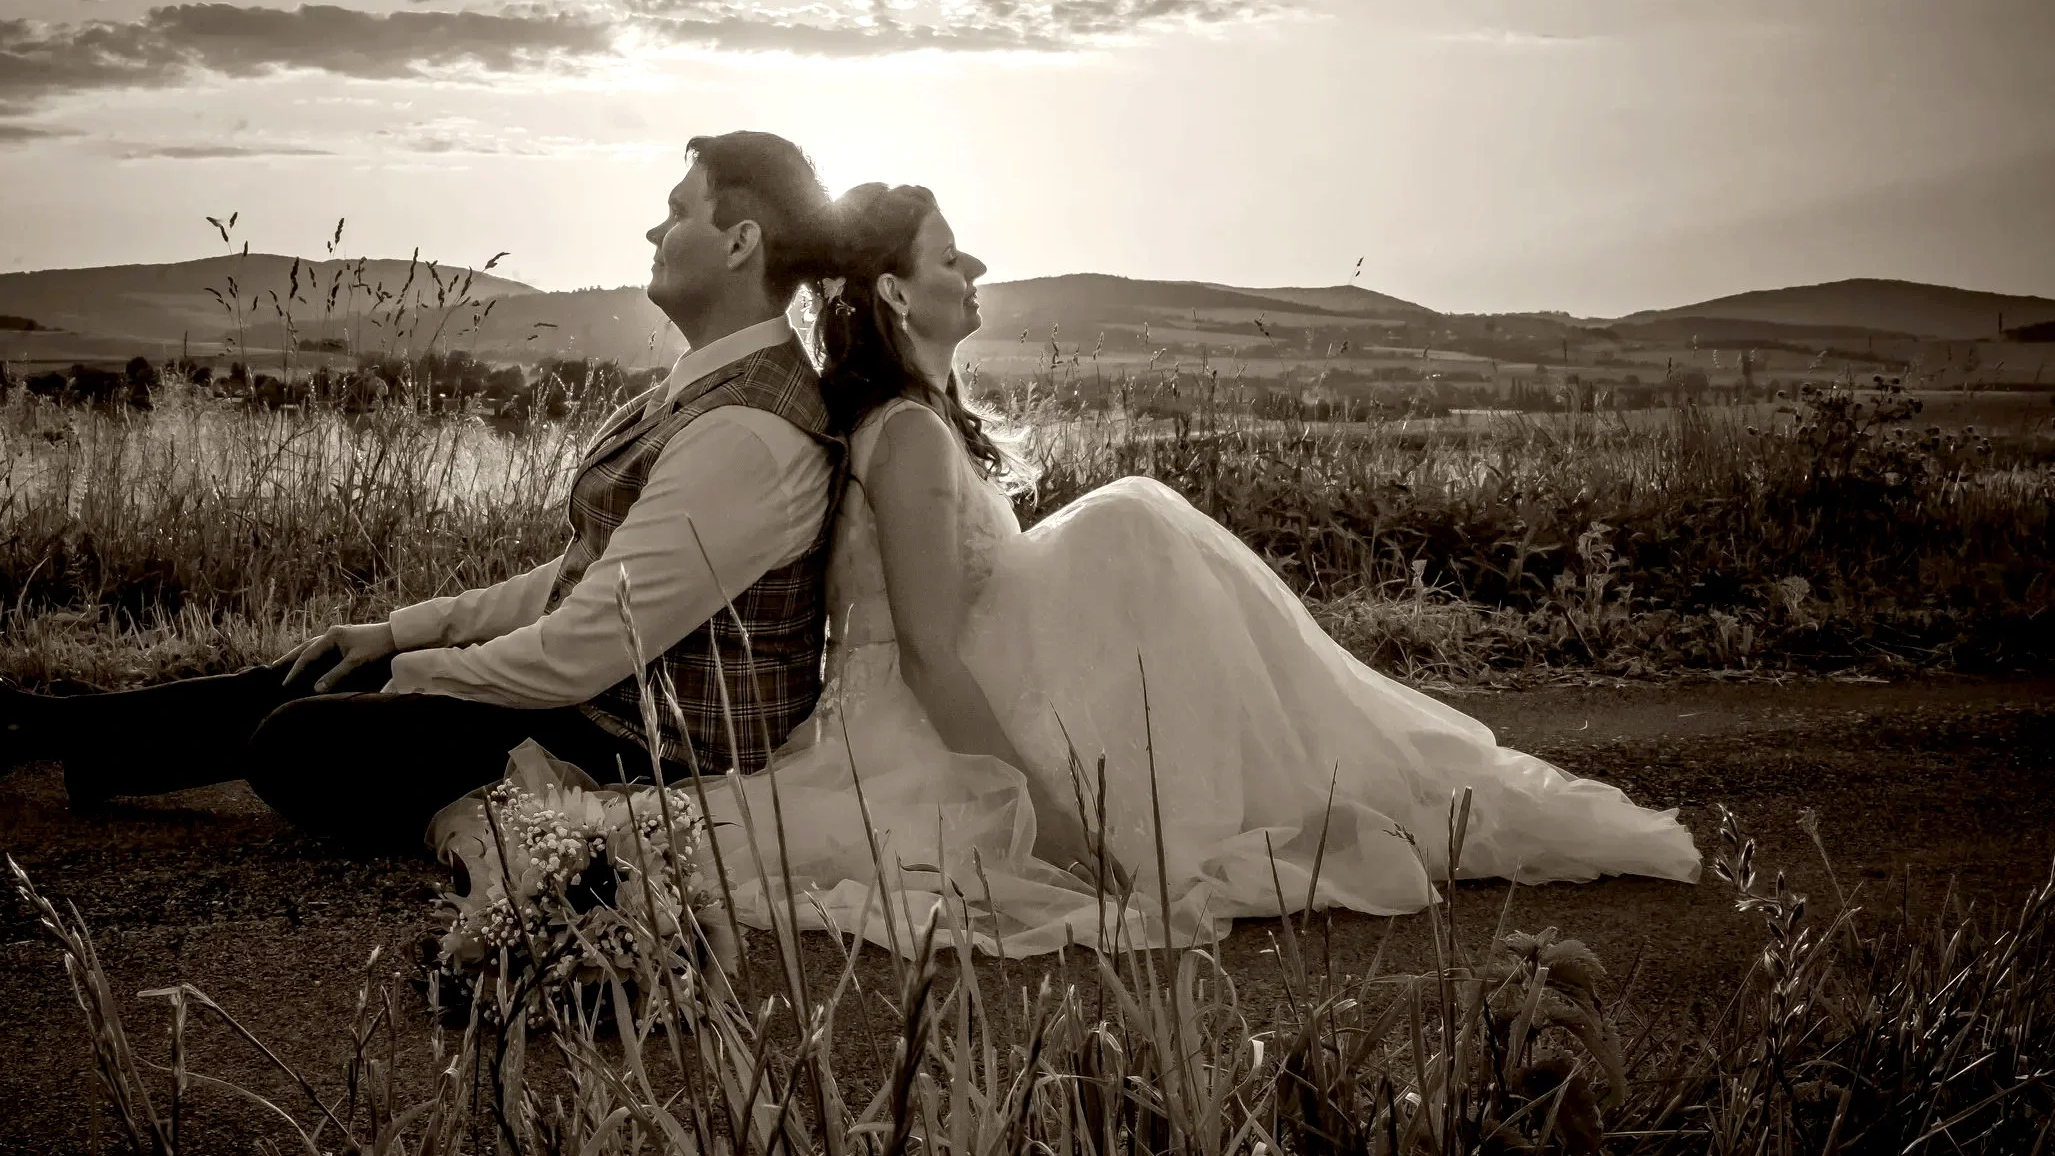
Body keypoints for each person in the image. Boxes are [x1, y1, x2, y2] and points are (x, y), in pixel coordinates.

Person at [700, 183, 1703, 956]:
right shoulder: (909, 438)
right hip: (926, 732)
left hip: (985, 688)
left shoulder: (919, 424)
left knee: (1132, 528)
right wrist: (1050, 819)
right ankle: (1294, 776)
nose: (975, 265)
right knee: (1129, 521)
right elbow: (924, 654)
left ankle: (1289, 774)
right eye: (949, 255)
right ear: (893, 292)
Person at [0, 130, 844, 852]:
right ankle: (6, 728)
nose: (653, 226)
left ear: (739, 242)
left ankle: (11, 727)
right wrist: (401, 633)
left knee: (298, 741)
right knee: (321, 676)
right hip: (594, 701)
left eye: (678, 209)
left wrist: (416, 675)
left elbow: (587, 649)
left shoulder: (747, 436)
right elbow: (587, 575)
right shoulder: (707, 394)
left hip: (643, 748)